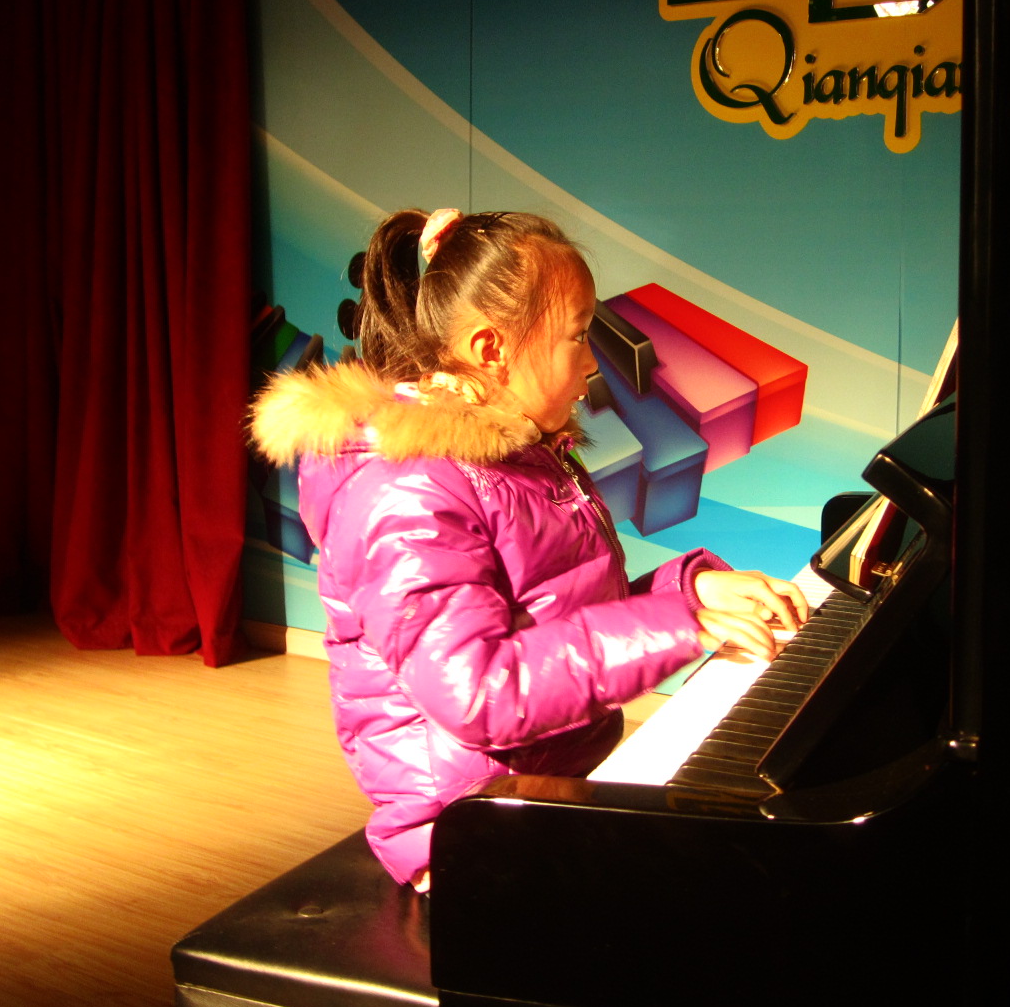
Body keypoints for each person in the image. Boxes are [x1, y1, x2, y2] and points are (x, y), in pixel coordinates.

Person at [250, 208, 807, 890]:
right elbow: (479, 692)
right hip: (470, 834)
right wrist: (678, 627)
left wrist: (687, 593)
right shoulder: (407, 489)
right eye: (578, 334)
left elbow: (556, 620)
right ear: (492, 350)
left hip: (550, 787)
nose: (592, 361)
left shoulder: (521, 457)